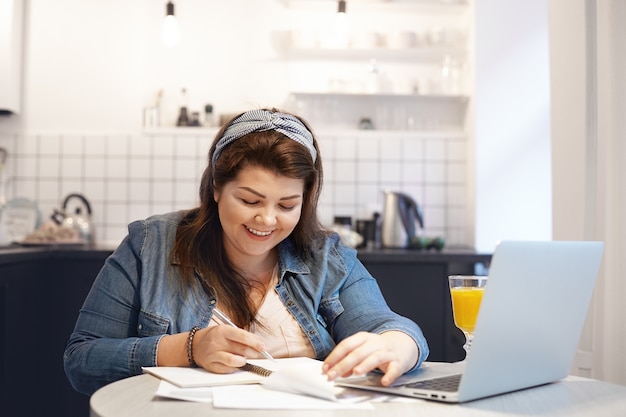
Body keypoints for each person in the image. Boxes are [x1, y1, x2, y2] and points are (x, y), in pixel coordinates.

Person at [63, 108, 429, 396]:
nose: (266, 219)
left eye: (287, 205)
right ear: (217, 188)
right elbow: (82, 360)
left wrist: (397, 346)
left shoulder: (326, 257)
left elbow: (389, 326)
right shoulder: (150, 245)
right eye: (250, 199)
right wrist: (189, 348)